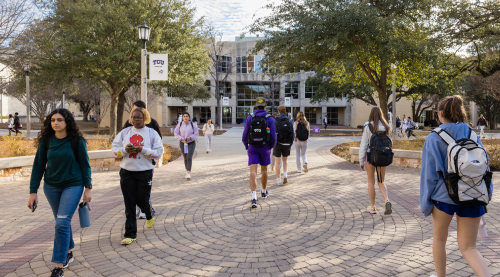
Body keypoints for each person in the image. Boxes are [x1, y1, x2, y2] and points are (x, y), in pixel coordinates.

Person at [420, 95, 491, 277]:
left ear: (441, 113)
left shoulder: (434, 137)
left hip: (444, 197)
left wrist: (426, 204)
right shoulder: (472, 134)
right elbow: (485, 167)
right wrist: (485, 196)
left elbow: (429, 176)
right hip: (472, 194)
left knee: (439, 239)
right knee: (469, 247)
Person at [27, 108, 92, 277]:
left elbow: (85, 165)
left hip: (73, 185)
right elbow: (38, 166)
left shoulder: (77, 141)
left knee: (62, 223)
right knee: (61, 222)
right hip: (51, 187)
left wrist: (88, 188)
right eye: (53, 120)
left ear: (67, 122)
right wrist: (32, 192)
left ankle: (58, 265)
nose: (56, 123)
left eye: (60, 120)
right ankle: (68, 252)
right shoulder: (47, 141)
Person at [112, 107, 164, 246]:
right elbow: (115, 149)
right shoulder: (125, 133)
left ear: (145, 118)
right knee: (129, 203)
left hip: (144, 172)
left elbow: (158, 153)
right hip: (126, 172)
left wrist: (143, 150)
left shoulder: (152, 133)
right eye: (133, 117)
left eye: (139, 117)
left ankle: (149, 214)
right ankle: (130, 234)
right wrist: (124, 150)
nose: (135, 120)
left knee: (143, 200)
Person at [122, 100, 162, 220]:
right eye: (133, 111)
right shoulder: (128, 123)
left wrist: (148, 151)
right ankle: (136, 209)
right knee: (131, 189)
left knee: (144, 190)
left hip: (146, 162)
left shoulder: (152, 123)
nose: (135, 115)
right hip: (131, 163)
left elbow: (159, 140)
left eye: (137, 111)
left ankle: (145, 210)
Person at [242, 97, 276, 208]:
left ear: (255, 106)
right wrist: (270, 147)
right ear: (265, 106)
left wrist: (246, 146)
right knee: (264, 170)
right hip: (265, 147)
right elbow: (273, 137)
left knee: (253, 171)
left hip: (252, 147)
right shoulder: (269, 118)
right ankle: (264, 191)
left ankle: (253, 197)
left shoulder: (250, 117)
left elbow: (244, 134)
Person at [359, 106, 392, 215]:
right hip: (383, 157)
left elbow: (363, 144)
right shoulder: (387, 127)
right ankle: (387, 200)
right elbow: (390, 143)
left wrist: (361, 161)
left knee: (371, 182)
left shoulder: (368, 126)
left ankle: (373, 207)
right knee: (381, 181)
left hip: (371, 157)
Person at [174, 112, 198, 180]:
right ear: (183, 118)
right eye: (184, 116)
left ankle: (188, 173)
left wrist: (190, 137)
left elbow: (196, 134)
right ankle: (187, 170)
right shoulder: (180, 124)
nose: (185, 117)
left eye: (187, 116)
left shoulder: (193, 125)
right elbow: (176, 133)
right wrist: (181, 138)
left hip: (191, 143)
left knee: (189, 156)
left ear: (189, 117)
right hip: (183, 143)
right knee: (185, 157)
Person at [274, 106, 294, 185]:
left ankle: (279, 179)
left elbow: (273, 132)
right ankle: (285, 175)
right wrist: (290, 143)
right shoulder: (289, 120)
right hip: (287, 143)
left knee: (277, 162)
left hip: (278, 143)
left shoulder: (276, 120)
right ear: (285, 111)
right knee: (285, 161)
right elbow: (292, 133)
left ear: (278, 111)